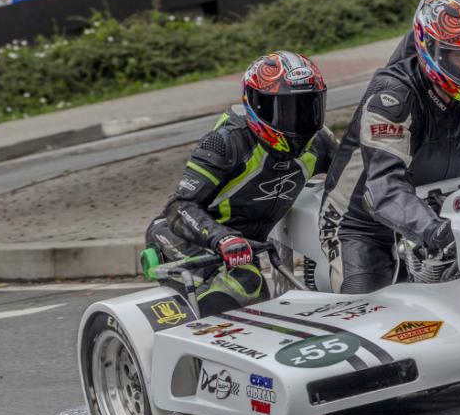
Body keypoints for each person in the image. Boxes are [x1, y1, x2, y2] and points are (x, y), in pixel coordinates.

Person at [319, 0, 460, 294]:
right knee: (370, 308)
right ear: (433, 52)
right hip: (361, 224)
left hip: (442, 212)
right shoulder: (392, 95)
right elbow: (383, 188)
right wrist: (433, 231)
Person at [143, 51, 336, 313]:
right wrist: (222, 238)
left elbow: (353, 178)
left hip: (244, 248)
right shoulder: (226, 142)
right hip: (186, 237)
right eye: (286, 111)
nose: (298, 121)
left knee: (260, 299)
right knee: (244, 288)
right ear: (256, 106)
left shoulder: (320, 143)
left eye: (307, 108)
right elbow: (179, 206)